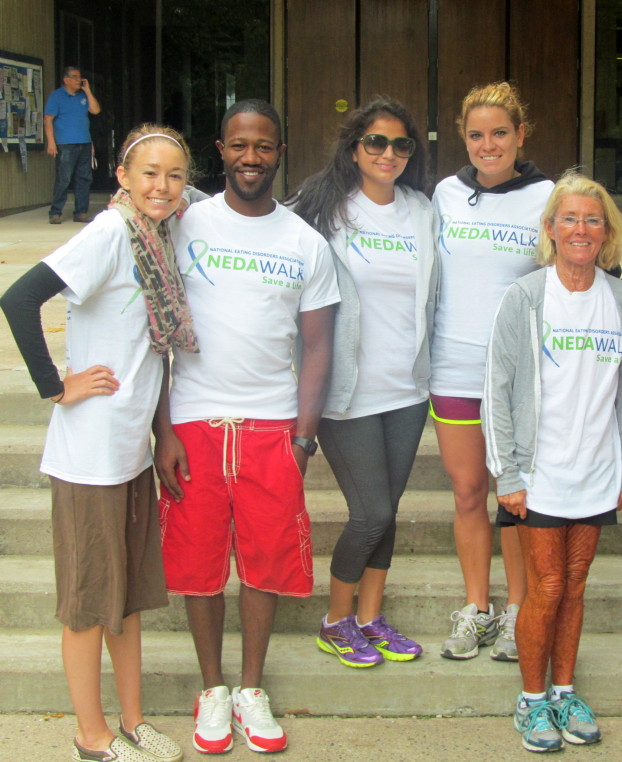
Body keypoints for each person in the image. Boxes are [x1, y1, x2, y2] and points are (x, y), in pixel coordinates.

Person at [1, 123, 195, 762]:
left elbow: (154, 351)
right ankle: (91, 735)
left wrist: (160, 430)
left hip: (129, 452)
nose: (161, 185)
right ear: (123, 177)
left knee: (129, 601)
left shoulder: (157, 241)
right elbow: (20, 296)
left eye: (173, 174)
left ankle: (133, 719)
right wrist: (56, 386)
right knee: (88, 606)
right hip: (89, 456)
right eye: (149, 173)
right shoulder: (112, 233)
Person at [154, 99, 340, 755]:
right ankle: (213, 690)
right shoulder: (182, 226)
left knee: (262, 564)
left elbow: (318, 348)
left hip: (272, 425)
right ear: (220, 149)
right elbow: (153, 334)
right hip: (194, 423)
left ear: (279, 152)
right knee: (200, 565)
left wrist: (304, 437)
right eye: (240, 145)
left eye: (263, 146)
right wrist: (162, 430)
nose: (251, 157)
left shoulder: (304, 242)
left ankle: (251, 688)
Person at [484, 171, 622, 753]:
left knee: (576, 585)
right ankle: (531, 702)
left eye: (592, 219)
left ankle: (563, 691)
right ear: (550, 229)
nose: (580, 229)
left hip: (597, 471)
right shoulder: (526, 298)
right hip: (540, 474)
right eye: (569, 219)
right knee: (548, 585)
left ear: (605, 232)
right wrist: (507, 472)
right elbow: (497, 390)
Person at [287, 97, 436, 668]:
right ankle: (335, 619)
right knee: (370, 510)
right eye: (376, 141)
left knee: (388, 510)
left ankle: (371, 618)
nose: (388, 153)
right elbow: (255, 221)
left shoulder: (423, 211)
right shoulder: (322, 208)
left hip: (406, 389)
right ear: (355, 148)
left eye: (401, 144)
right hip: (345, 391)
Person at [431, 81, 554, 661]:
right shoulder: (444, 195)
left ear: (520, 135)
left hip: (518, 377)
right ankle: (476, 608)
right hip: (453, 367)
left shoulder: (549, 197)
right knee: (467, 491)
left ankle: (516, 613)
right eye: (477, 134)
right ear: (464, 138)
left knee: (516, 496)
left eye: (500, 133)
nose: (488, 145)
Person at [44, 66, 101, 224]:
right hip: (65, 144)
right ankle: (55, 212)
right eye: (75, 77)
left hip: (84, 142)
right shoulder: (56, 96)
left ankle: (81, 212)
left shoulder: (83, 95)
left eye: (80, 77)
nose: (79, 80)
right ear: (66, 79)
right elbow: (48, 119)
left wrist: (88, 91)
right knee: (64, 178)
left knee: (84, 179)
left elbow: (95, 110)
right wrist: (51, 142)